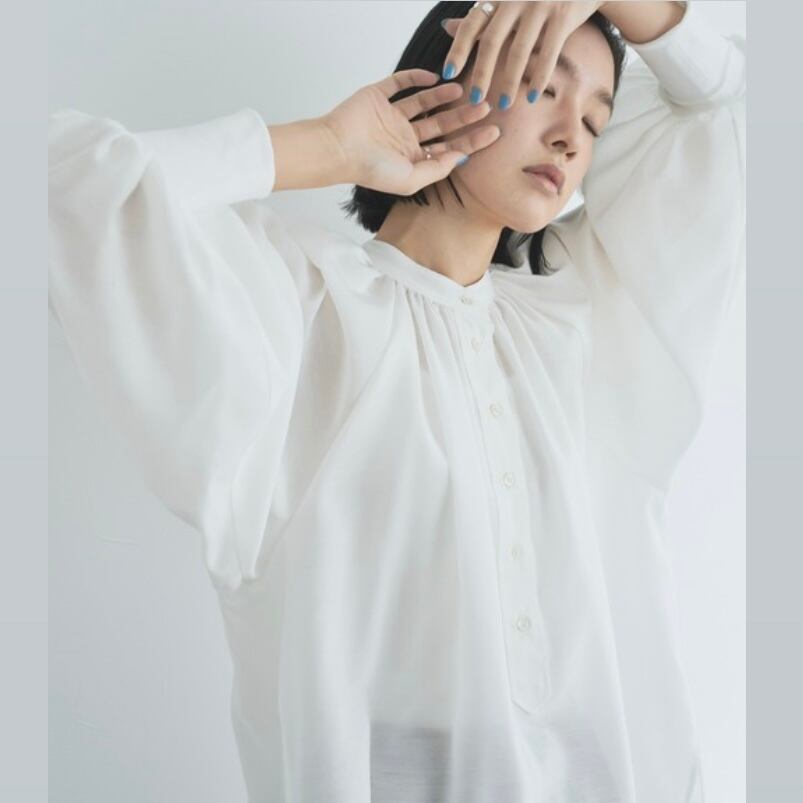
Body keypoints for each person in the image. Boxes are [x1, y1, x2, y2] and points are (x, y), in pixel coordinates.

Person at [48, 0, 745, 800]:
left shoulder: (580, 318)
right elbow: (61, 185)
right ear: (436, 82)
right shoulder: (298, 311)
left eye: (594, 121)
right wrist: (332, 145)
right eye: (541, 85)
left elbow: (723, 112)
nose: (568, 137)